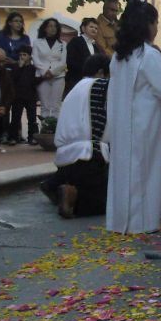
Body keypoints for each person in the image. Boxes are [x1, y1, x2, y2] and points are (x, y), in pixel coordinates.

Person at [106, 0, 161, 234]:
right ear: (146, 25)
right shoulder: (149, 55)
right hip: (145, 123)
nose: (157, 28)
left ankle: (122, 220)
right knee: (145, 171)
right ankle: (143, 221)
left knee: (125, 170)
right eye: (155, 23)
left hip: (123, 122)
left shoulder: (119, 56)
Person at [39, 54, 112, 218]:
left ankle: (54, 184)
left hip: (66, 160)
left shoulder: (75, 89)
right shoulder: (99, 85)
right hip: (88, 156)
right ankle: (73, 197)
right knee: (106, 203)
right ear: (101, 72)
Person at [33, 18, 67, 118]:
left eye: (55, 26)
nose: (53, 28)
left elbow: (63, 62)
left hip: (58, 77)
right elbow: (35, 58)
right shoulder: (37, 42)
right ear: (45, 28)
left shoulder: (62, 44)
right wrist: (45, 71)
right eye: (50, 26)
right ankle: (45, 129)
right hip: (43, 76)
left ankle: (56, 130)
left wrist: (52, 72)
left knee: (56, 105)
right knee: (45, 105)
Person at [64, 17, 103, 97]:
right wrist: (87, 70)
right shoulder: (76, 41)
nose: (94, 30)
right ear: (83, 28)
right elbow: (70, 60)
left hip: (91, 81)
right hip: (76, 79)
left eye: (96, 28)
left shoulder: (95, 45)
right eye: (91, 27)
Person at [8, 45, 38, 145]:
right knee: (15, 118)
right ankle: (13, 137)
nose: (22, 57)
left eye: (24, 55)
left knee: (32, 118)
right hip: (18, 96)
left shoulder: (33, 68)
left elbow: (35, 81)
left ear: (30, 56)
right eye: (20, 55)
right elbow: (12, 79)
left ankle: (32, 137)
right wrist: (19, 68)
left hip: (30, 96)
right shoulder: (15, 67)